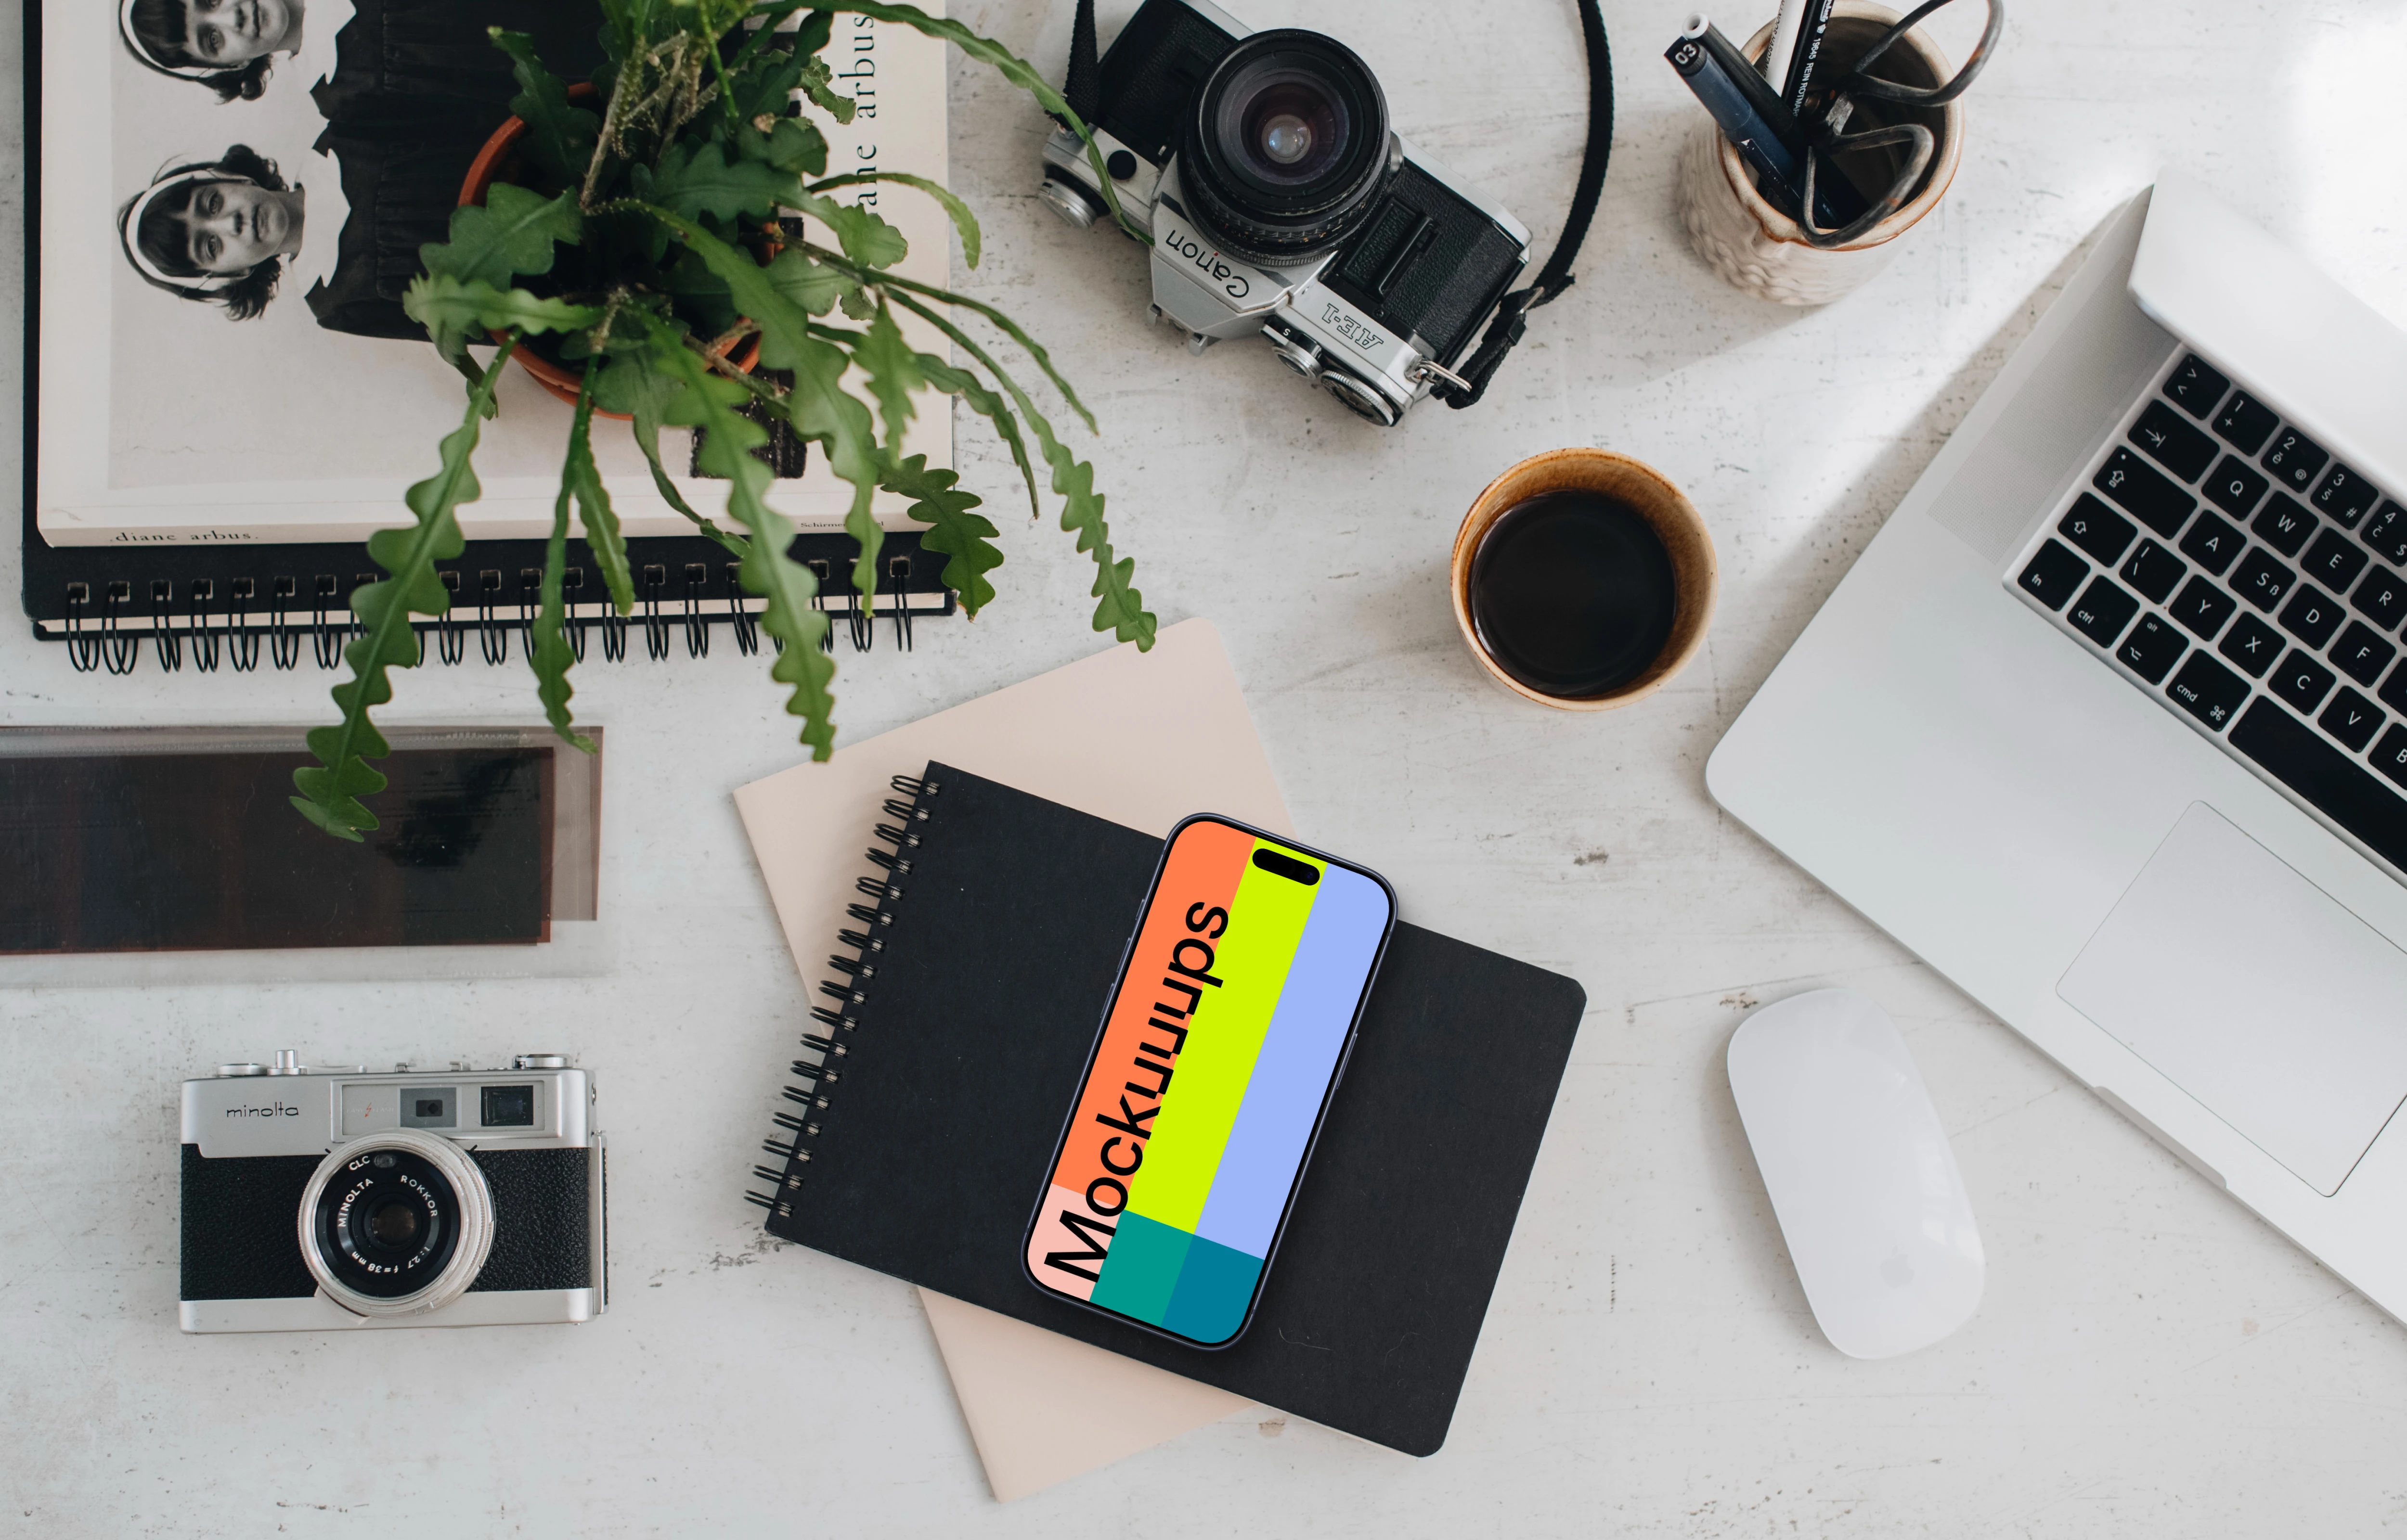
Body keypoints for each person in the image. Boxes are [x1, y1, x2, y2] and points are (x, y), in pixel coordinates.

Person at [116, 145, 307, 321]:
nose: (231, 224)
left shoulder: (333, 139)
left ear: (232, 178)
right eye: (211, 246)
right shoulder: (331, 309)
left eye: (213, 204)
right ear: (232, 274)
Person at [119, 0, 309, 103]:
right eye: (214, 40)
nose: (233, 18)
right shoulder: (334, 94)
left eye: (212, 1)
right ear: (232, 66)